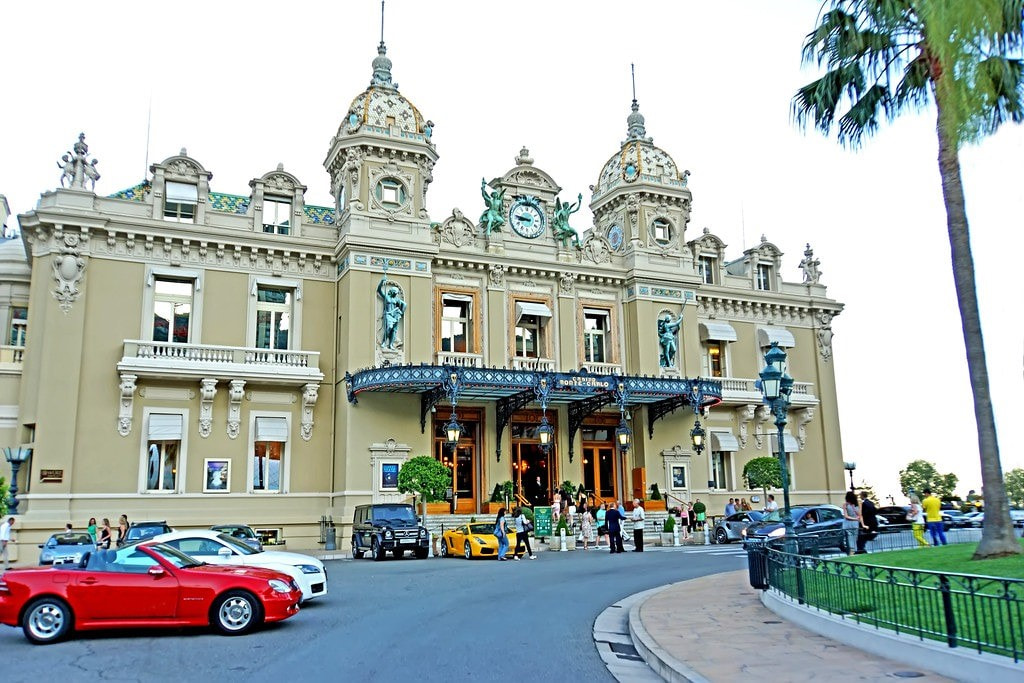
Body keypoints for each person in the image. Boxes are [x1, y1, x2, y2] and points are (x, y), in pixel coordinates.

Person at [842, 491, 861, 556]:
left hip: (847, 524)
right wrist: (856, 519)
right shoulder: (857, 504)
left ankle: (851, 553)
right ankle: (853, 552)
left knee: (849, 540)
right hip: (855, 524)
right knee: (854, 539)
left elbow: (846, 516)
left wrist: (854, 518)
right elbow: (860, 514)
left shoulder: (845, 505)